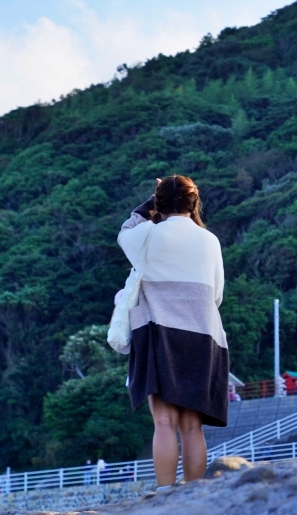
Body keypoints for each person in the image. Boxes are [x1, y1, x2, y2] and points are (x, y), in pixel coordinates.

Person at [118, 175, 227, 490]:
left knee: (164, 421)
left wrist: (149, 203)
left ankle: (166, 495)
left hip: (159, 332)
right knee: (192, 426)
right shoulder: (210, 240)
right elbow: (216, 294)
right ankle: (193, 496)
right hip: (204, 334)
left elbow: (125, 232)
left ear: (158, 203)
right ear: (194, 203)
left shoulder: (147, 235)